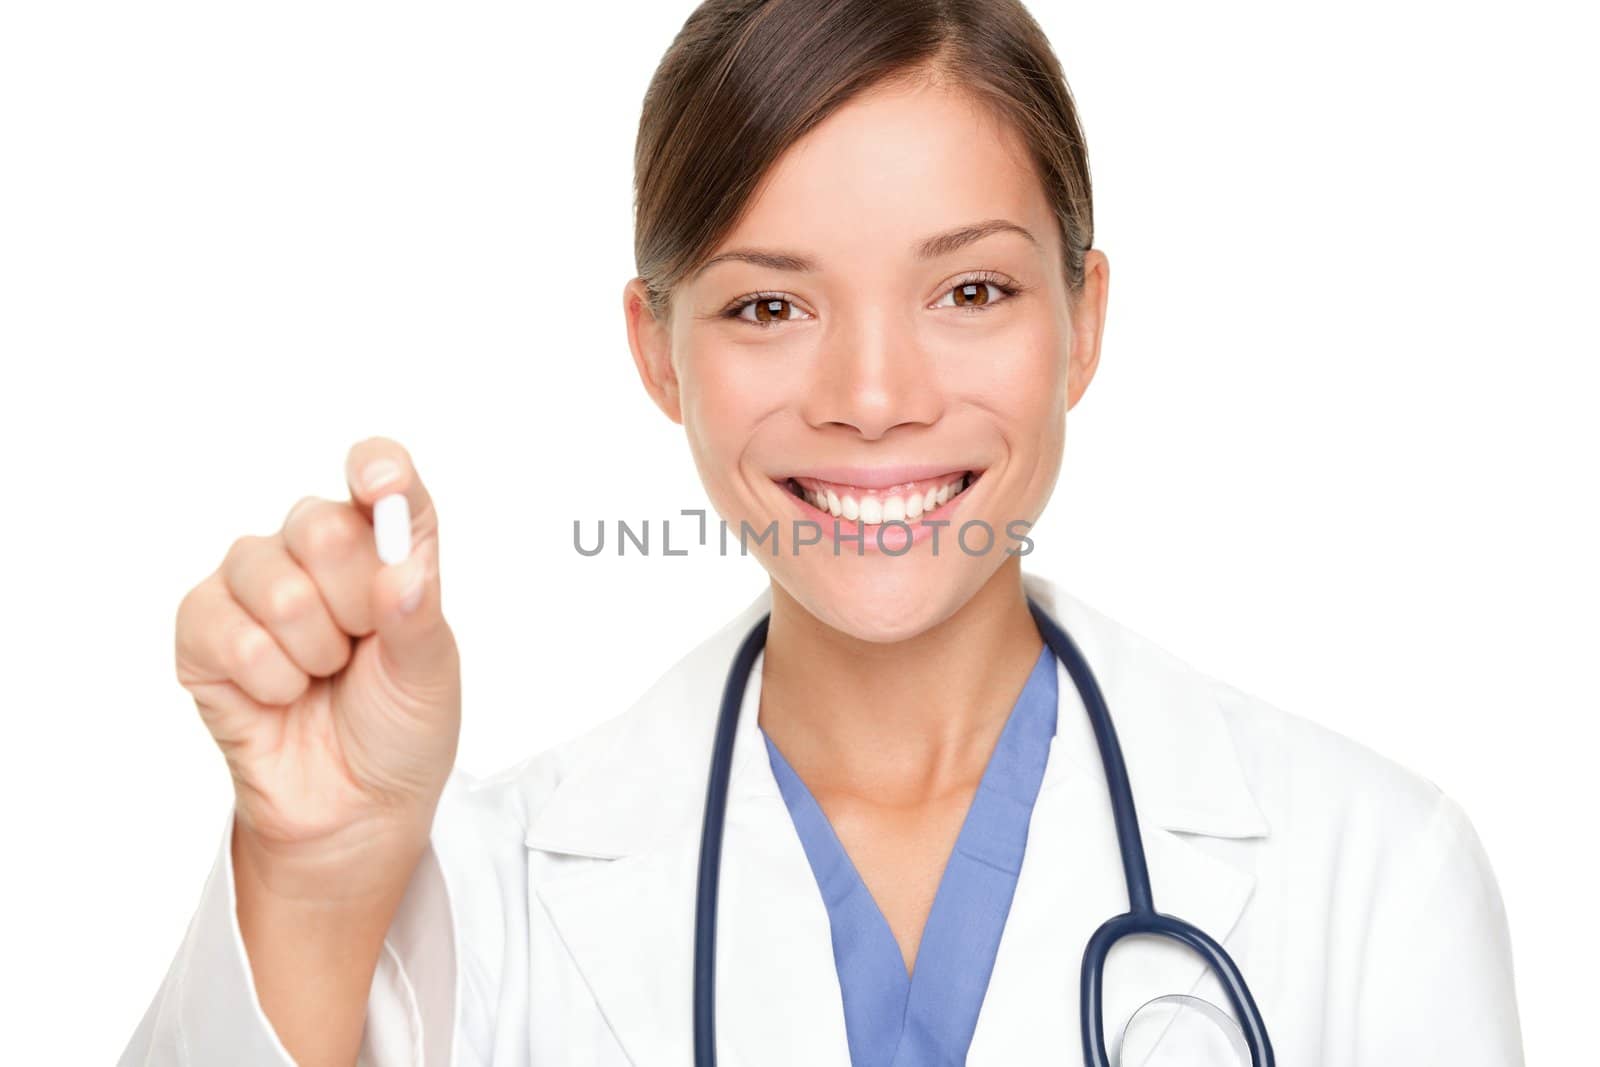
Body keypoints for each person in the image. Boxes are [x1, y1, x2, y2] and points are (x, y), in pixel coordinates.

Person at [117, 1, 1524, 1064]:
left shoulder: (1372, 877)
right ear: (658, 352)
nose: (873, 400)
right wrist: (311, 876)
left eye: (969, 292)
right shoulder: (486, 900)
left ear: (1084, 320)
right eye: (768, 306)